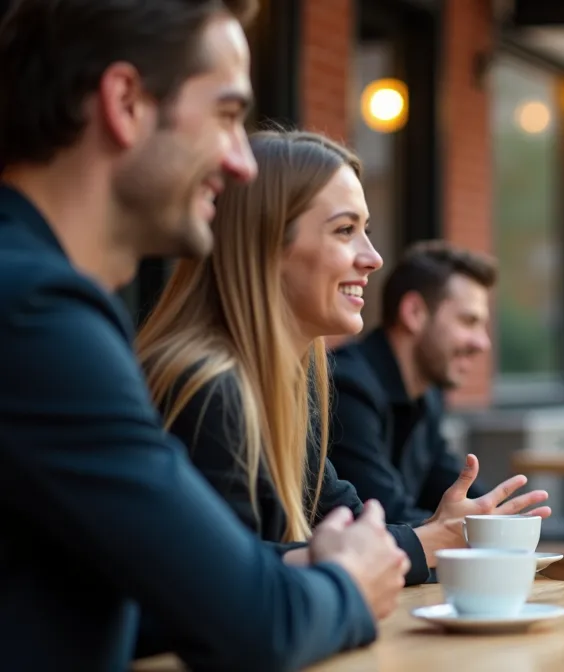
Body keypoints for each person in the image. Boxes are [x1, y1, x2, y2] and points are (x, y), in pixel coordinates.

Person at [0, 1, 409, 669]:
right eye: (226, 116)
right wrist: (348, 582)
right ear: (126, 102)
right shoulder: (37, 317)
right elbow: (256, 627)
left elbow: (134, 609)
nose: (243, 162)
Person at [135, 130, 550, 588]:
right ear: (268, 247)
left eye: (365, 231)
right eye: (344, 230)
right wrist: (427, 540)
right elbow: (221, 576)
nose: (372, 258)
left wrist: (440, 533)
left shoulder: (290, 386)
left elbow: (349, 521)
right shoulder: (206, 388)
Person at [328, 241, 495, 525]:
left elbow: (448, 485)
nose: (483, 343)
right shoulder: (346, 387)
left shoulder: (427, 395)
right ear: (414, 313)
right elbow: (387, 518)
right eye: (469, 321)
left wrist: (508, 520)